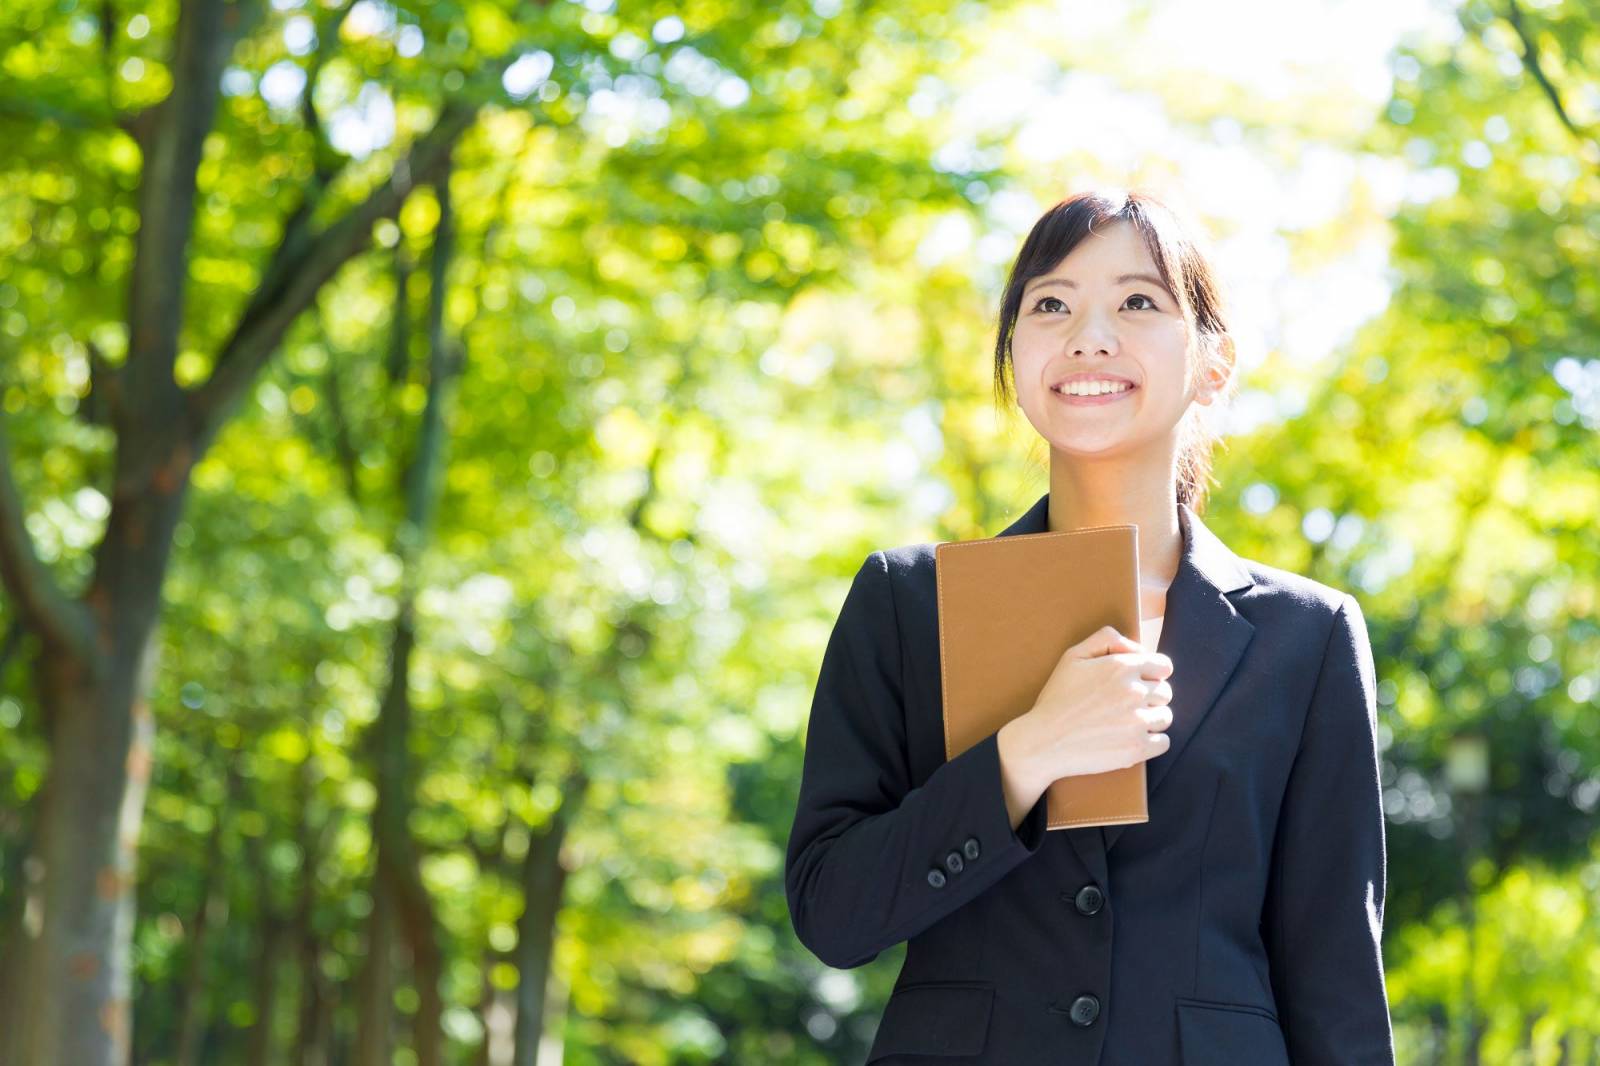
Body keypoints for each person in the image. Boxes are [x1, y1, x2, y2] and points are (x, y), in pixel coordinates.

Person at [783, 189, 1395, 1065]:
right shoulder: (909, 602)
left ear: (1213, 363)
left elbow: (1336, 974)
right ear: (1012, 355)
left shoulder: (1308, 636)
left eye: (1138, 301)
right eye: (1050, 305)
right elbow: (832, 913)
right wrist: (1024, 755)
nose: (1088, 336)